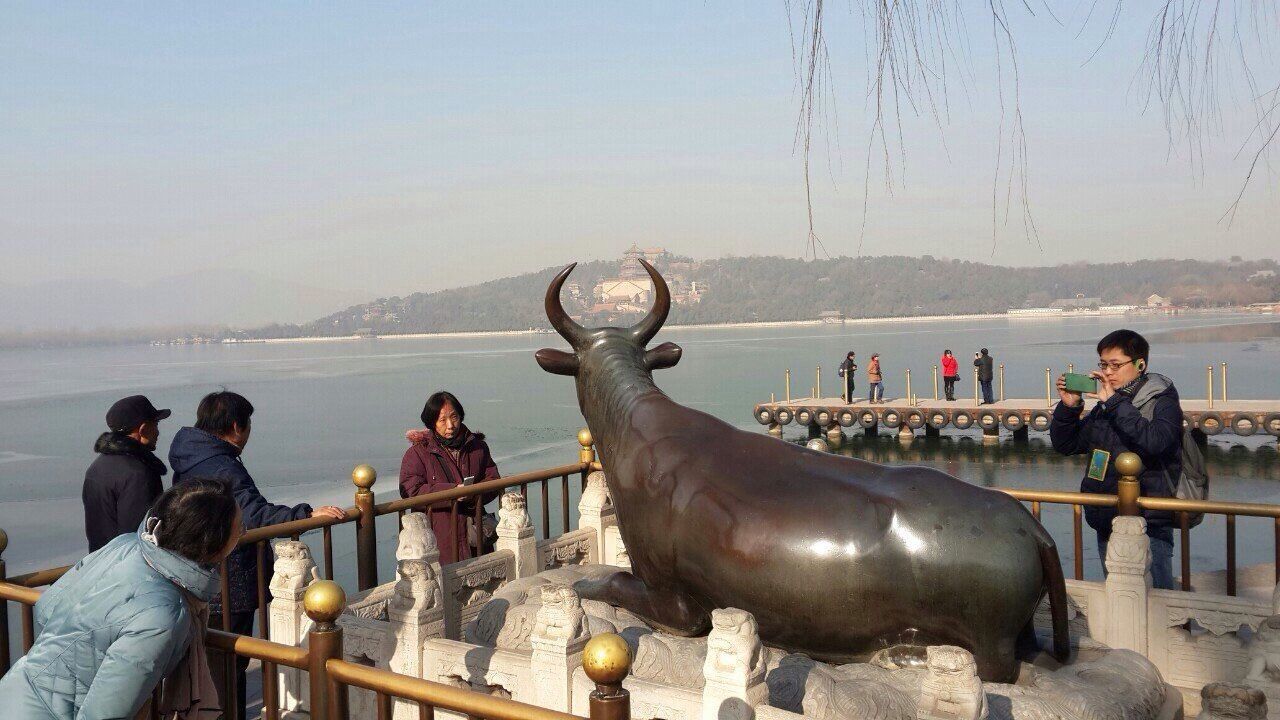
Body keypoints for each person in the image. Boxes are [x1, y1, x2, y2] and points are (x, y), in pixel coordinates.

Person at [0, 479, 242, 719]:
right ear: (211, 542)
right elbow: (105, 715)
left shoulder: (125, 545)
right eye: (238, 528)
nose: (243, 533)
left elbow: (47, 607)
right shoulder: (163, 614)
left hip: (16, 690)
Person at [169, 390, 344, 720]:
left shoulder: (193, 458)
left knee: (210, 669)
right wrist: (306, 514)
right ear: (237, 426)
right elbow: (254, 515)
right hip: (228, 583)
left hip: (202, 576)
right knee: (226, 673)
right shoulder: (223, 466)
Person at [1049, 329, 1182, 589]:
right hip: (1105, 515)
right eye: (1103, 365)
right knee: (1117, 591)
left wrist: (1114, 404)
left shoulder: (1161, 399)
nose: (1107, 372)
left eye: (1115, 365)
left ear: (1140, 364)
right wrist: (1069, 407)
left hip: (1148, 520)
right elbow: (1067, 444)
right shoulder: (1106, 404)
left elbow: (1157, 442)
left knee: (1156, 597)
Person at [399, 391, 501, 564]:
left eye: (454, 417)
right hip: (440, 536)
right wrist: (452, 492)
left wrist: (473, 494)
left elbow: (493, 479)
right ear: (432, 422)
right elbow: (411, 491)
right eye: (442, 420)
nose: (450, 425)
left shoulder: (477, 447)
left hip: (475, 534)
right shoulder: (417, 453)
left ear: (460, 416)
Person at [82, 394, 171, 552]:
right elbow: (140, 536)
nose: (158, 433)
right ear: (143, 429)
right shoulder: (138, 474)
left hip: (101, 564)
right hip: (128, 569)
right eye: (155, 424)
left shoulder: (98, 466)